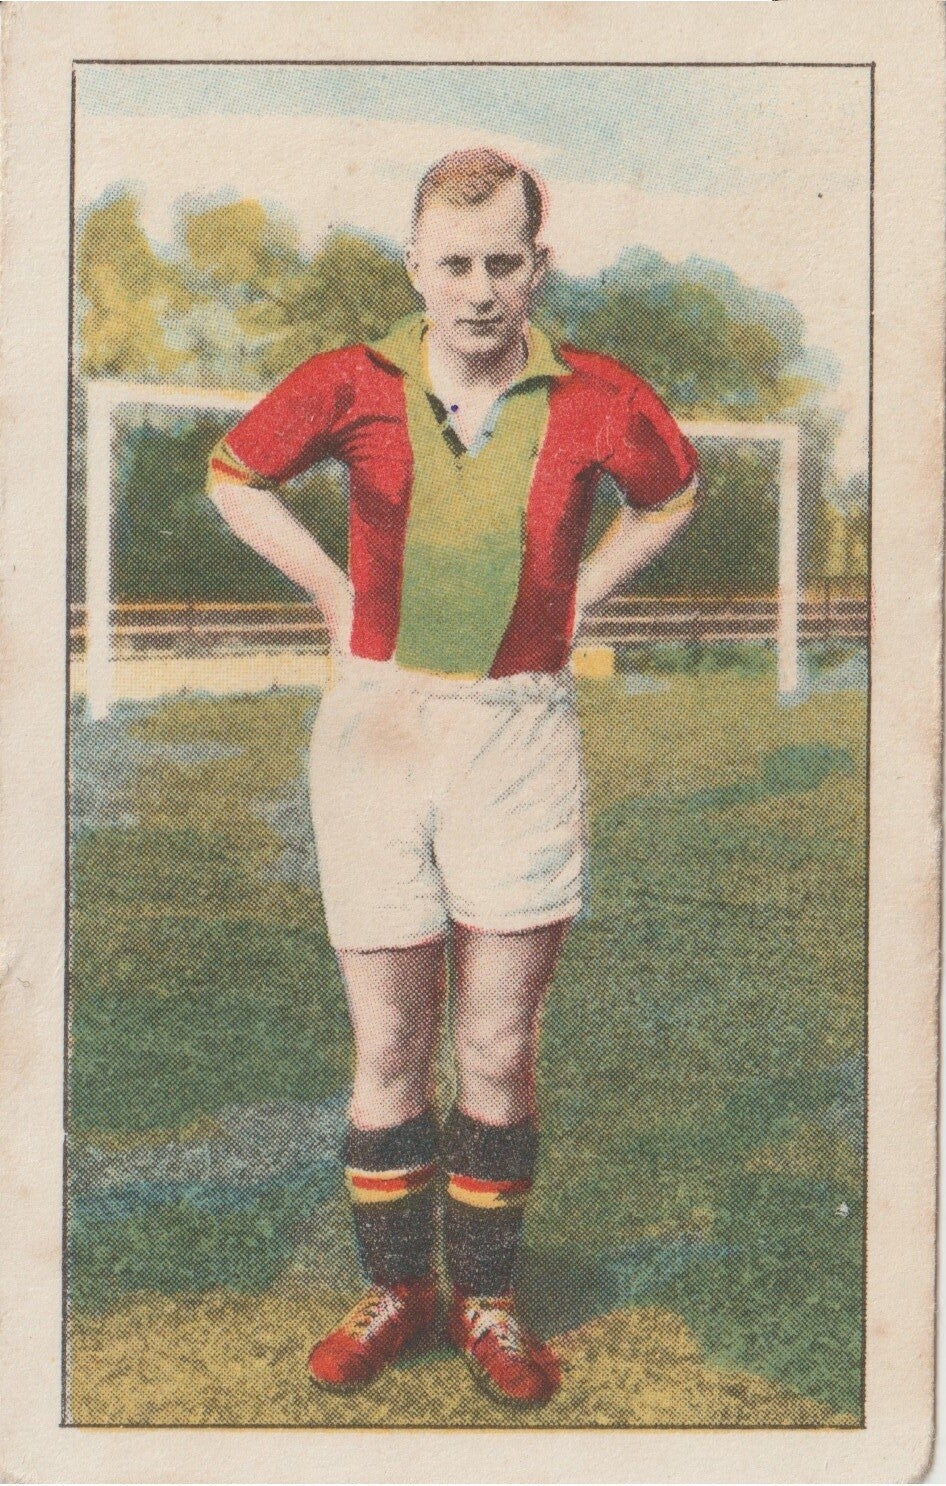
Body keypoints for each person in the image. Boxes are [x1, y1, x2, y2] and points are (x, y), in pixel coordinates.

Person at [206, 147, 700, 1406]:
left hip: (517, 736)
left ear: (540, 265)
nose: (479, 288)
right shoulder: (351, 382)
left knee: (495, 1041)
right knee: (387, 1041)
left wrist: (581, 593)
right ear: (414, 267)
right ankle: (398, 1292)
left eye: (503, 262)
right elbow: (233, 472)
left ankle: (484, 1298)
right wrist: (332, 592)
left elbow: (670, 494)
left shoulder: (598, 395)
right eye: (455, 263)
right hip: (377, 731)